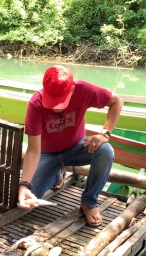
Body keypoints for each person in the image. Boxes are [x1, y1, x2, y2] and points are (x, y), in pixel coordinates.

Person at [18, 65, 123, 226]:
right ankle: (57, 172)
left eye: (60, 101)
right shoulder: (35, 103)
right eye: (51, 100)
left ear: (72, 90)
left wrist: (104, 133)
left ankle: (88, 203)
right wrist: (24, 185)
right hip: (48, 154)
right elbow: (33, 151)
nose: (54, 107)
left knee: (105, 151)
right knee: (26, 203)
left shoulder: (83, 89)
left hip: (77, 148)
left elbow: (116, 101)